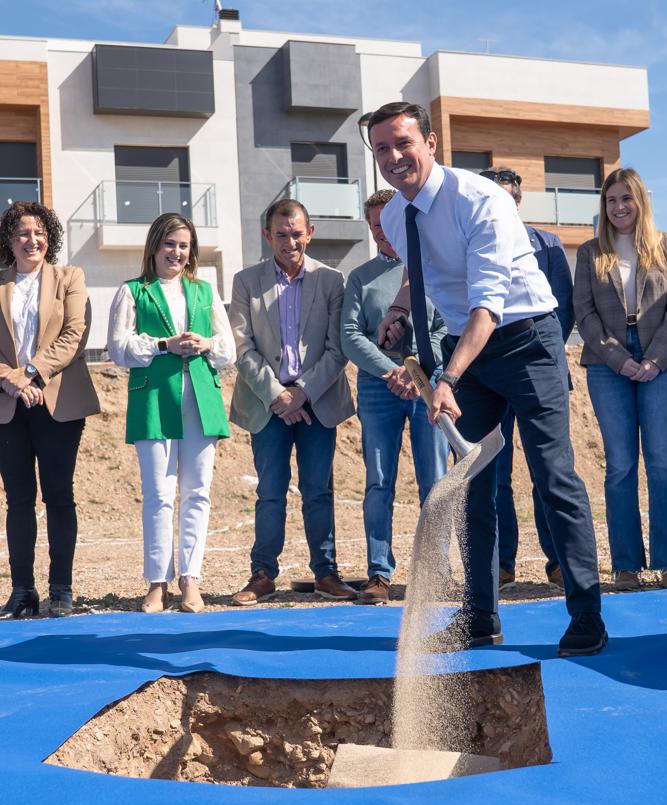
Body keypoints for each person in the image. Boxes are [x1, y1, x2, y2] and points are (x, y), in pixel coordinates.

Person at [370, 101, 605, 657]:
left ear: (430, 143)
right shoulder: (395, 215)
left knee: (553, 476)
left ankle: (587, 615)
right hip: (467, 351)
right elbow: (422, 272)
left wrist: (446, 377)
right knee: (473, 485)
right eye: (382, 148)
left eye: (403, 143)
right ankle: (480, 618)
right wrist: (399, 312)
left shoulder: (481, 199)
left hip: (527, 341)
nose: (394, 156)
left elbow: (488, 306)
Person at [230, 198, 357, 605]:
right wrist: (279, 396)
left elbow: (338, 348)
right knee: (271, 491)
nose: (291, 242)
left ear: (310, 233)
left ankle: (326, 573)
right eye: (281, 235)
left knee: (318, 490)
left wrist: (302, 393)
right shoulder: (245, 281)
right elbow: (242, 347)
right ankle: (263, 574)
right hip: (267, 404)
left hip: (317, 401)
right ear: (267, 235)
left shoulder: (332, 280)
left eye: (297, 233)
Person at [107, 213, 235, 613]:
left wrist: (206, 343)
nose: (176, 252)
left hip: (202, 399)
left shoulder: (205, 290)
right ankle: (157, 582)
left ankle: (190, 579)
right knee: (159, 495)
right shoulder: (132, 291)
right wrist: (164, 345)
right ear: (154, 246)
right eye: (169, 244)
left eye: (183, 245)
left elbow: (228, 351)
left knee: (198, 492)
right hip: (154, 400)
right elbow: (118, 349)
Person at [574, 168, 667, 590]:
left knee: (662, 460)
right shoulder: (590, 252)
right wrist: (618, 358)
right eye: (611, 200)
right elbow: (584, 313)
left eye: (626, 198)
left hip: (665, 358)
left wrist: (655, 359)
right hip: (608, 364)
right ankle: (625, 565)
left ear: (641, 201)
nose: (619, 207)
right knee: (620, 465)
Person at [341, 188, 449, 604]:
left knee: (434, 480)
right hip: (377, 386)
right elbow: (350, 335)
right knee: (379, 481)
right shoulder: (360, 277)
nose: (382, 233)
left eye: (388, 223)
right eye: (375, 226)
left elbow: (445, 327)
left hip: (429, 384)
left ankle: (435, 572)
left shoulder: (433, 269)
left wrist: (416, 368)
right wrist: (391, 371)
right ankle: (379, 573)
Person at [0, 200, 100, 619]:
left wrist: (31, 374)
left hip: (58, 402)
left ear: (50, 238)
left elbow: (75, 333)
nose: (32, 240)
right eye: (23, 233)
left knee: (59, 495)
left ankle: (61, 590)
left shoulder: (69, 277)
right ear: (10, 240)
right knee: (18, 499)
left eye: (39, 232)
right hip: (8, 404)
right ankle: (23, 592)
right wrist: (11, 380)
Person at [479, 167, 574, 590]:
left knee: (548, 470)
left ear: (517, 202)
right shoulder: (472, 243)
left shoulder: (548, 244)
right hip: (487, 375)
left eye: (506, 197)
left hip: (539, 368)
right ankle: (503, 563)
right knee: (496, 472)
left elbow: (561, 310)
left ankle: (559, 562)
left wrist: (541, 358)